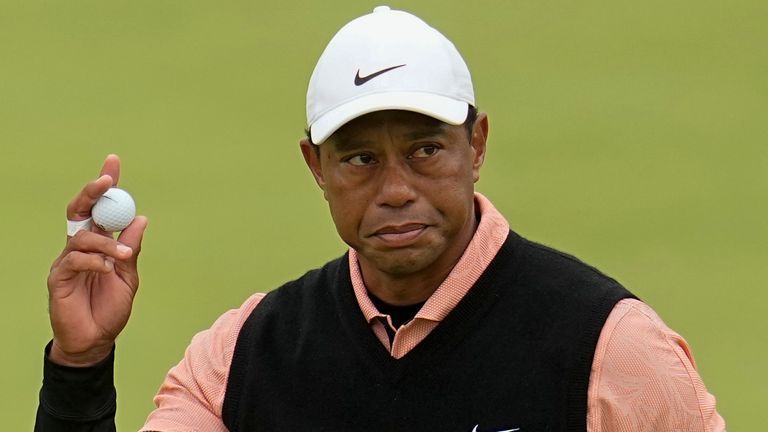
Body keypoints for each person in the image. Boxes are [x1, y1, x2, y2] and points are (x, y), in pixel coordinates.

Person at [36, 6, 726, 432]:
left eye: (425, 150)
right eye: (360, 159)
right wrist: (81, 365)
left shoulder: (610, 349)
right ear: (315, 167)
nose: (395, 189)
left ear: (476, 145)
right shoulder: (242, 358)